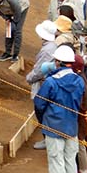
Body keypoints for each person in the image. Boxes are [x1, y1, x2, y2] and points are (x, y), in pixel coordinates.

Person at [34, 45, 85, 173]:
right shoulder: (79, 81)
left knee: (57, 162)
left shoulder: (51, 82)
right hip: (71, 127)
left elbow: (39, 103)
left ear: (58, 62)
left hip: (53, 125)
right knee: (70, 161)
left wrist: (44, 120)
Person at [27, 20, 58, 151]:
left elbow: (40, 70)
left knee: (42, 110)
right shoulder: (52, 45)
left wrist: (30, 77)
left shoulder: (47, 50)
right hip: (46, 81)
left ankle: (47, 139)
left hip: (43, 83)